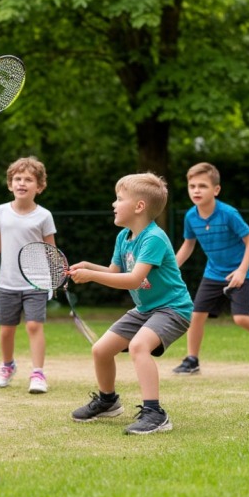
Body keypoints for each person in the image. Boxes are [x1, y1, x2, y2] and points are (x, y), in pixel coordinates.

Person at [68, 173, 193, 435]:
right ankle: (108, 400)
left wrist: (91, 276)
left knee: (138, 346)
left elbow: (135, 279)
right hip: (146, 310)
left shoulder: (154, 238)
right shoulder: (124, 237)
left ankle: (155, 413)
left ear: (139, 207)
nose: (114, 204)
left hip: (173, 309)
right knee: (101, 350)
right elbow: (115, 271)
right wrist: (88, 267)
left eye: (119, 199)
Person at [172, 162, 249, 375]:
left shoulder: (228, 213)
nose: (196, 190)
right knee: (196, 315)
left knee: (241, 318)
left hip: (239, 272)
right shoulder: (190, 216)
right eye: (192, 186)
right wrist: (171, 268)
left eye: (203, 186)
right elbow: (188, 245)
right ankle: (192, 360)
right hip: (213, 273)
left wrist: (241, 271)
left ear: (216, 190)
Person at [0, 157, 57, 394]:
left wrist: (56, 276)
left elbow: (51, 250)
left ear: (39, 187)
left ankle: (38, 373)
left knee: (33, 326)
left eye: (28, 179)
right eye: (17, 179)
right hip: (7, 282)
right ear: (10, 184)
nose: (22, 183)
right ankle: (8, 366)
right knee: (6, 329)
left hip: (36, 282)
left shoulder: (44, 216)